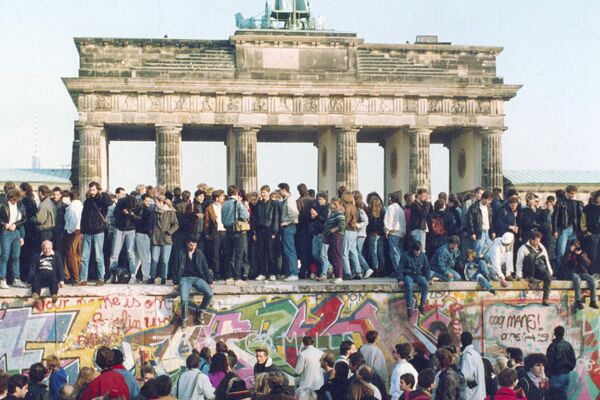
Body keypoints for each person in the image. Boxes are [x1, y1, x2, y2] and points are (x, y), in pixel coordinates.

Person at [79, 182, 112, 286]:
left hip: (98, 232)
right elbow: (83, 217)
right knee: (84, 257)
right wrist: (82, 231)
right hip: (87, 232)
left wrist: (101, 194)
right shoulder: (87, 201)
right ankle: (83, 278)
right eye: (90, 190)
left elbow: (108, 202)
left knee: (99, 256)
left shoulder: (102, 200)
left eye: (93, 190)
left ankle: (100, 278)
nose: (91, 192)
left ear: (98, 189)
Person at [174, 239, 214, 324]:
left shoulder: (199, 254)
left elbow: (205, 268)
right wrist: (175, 282)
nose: (193, 247)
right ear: (187, 244)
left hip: (197, 278)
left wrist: (210, 281)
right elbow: (175, 267)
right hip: (184, 278)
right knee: (184, 299)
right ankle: (184, 318)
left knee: (209, 293)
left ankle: (201, 311)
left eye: (195, 245)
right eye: (191, 245)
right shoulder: (181, 253)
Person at [221, 185, 250, 283]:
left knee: (228, 255)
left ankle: (228, 277)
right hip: (238, 231)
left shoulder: (224, 204)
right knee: (239, 255)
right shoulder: (238, 203)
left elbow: (222, 219)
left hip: (227, 231)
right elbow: (246, 215)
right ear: (237, 193)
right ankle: (237, 278)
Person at [515, 231, 553, 306]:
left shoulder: (541, 247)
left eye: (539, 241)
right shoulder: (523, 248)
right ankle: (530, 277)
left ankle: (545, 299)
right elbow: (519, 263)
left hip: (539, 269)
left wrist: (550, 272)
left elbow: (546, 259)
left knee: (547, 276)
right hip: (529, 270)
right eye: (536, 241)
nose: (537, 243)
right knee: (531, 256)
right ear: (531, 240)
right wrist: (519, 276)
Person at [0, 188, 28, 289]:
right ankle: (2, 279)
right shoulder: (2, 204)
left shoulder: (20, 204)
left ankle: (16, 279)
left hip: (16, 232)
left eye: (16, 199)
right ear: (9, 197)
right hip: (6, 232)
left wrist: (16, 226)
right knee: (5, 256)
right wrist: (5, 225)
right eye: (13, 199)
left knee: (16, 256)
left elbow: (24, 218)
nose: (14, 201)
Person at [108, 193, 139, 284]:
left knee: (131, 253)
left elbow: (138, 218)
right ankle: (112, 275)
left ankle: (133, 275)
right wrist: (122, 213)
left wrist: (130, 214)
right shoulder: (121, 202)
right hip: (119, 229)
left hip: (131, 230)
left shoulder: (137, 204)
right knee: (115, 253)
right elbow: (115, 213)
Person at [149, 196, 179, 284]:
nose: (155, 204)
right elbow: (150, 224)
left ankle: (164, 277)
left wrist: (169, 232)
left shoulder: (170, 212)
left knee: (165, 260)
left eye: (156, 202)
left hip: (166, 238)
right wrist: (151, 233)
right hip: (155, 238)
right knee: (154, 259)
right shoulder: (154, 212)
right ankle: (152, 277)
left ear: (161, 202)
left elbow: (176, 224)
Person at [397, 241, 431, 317]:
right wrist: (400, 279)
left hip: (419, 275)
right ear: (412, 249)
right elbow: (400, 268)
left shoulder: (423, 256)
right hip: (408, 275)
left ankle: (422, 306)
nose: (417, 252)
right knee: (409, 285)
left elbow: (427, 268)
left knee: (426, 285)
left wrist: (429, 279)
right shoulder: (405, 255)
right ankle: (409, 307)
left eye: (419, 251)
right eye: (416, 251)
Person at [562, 239, 598, 309]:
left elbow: (588, 263)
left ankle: (593, 301)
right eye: (575, 245)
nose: (576, 247)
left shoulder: (583, 252)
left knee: (592, 280)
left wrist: (581, 254)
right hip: (572, 272)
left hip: (583, 272)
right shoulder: (569, 252)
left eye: (577, 245)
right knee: (577, 280)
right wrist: (570, 251)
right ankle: (578, 301)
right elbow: (564, 262)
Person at [553, 185, 582, 272]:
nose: (572, 195)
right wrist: (555, 230)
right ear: (567, 192)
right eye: (571, 194)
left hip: (573, 230)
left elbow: (578, 218)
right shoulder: (560, 202)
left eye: (574, 194)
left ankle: (569, 271)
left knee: (572, 251)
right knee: (561, 252)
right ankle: (558, 272)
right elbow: (555, 217)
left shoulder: (575, 203)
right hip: (564, 230)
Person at [254, 185, 280, 281]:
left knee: (271, 252)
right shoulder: (258, 205)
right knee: (261, 252)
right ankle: (262, 273)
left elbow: (275, 218)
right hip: (260, 230)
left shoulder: (273, 204)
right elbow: (255, 219)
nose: (262, 194)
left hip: (270, 230)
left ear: (268, 192)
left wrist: (275, 232)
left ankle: (272, 273)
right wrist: (254, 232)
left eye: (264, 192)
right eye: (261, 192)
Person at [29, 240, 65, 306]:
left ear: (51, 248)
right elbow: (32, 269)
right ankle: (36, 294)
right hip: (40, 276)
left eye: (48, 248)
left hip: (51, 276)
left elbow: (60, 268)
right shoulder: (36, 256)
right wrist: (30, 281)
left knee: (54, 277)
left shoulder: (56, 255)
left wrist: (62, 280)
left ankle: (54, 295)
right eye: (45, 248)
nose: (47, 250)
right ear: (42, 248)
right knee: (35, 276)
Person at [278, 183, 300, 281]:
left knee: (290, 250)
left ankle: (293, 273)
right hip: (287, 227)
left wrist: (284, 222)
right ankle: (289, 272)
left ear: (284, 190)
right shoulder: (286, 200)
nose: (279, 192)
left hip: (289, 226)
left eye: (280, 190)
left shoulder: (289, 200)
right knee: (286, 250)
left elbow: (294, 214)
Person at [545, 326, 576, 396]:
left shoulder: (552, 346)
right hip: (566, 375)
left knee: (554, 396)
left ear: (555, 334)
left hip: (556, 375)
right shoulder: (568, 345)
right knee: (563, 396)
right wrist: (568, 369)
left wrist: (548, 374)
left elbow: (549, 362)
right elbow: (573, 360)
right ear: (563, 334)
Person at [204, 190, 227, 280]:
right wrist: (207, 233)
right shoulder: (209, 208)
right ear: (217, 198)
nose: (223, 198)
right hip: (216, 232)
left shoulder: (225, 206)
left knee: (225, 253)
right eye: (222, 196)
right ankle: (217, 274)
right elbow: (207, 222)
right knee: (215, 254)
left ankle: (225, 273)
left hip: (225, 231)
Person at [465, 190, 495, 258]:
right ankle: (477, 266)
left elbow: (491, 220)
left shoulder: (489, 207)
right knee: (478, 252)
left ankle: (484, 266)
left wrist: (493, 231)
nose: (490, 202)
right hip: (479, 232)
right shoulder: (474, 207)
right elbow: (470, 221)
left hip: (488, 232)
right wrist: (472, 233)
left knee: (489, 250)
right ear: (483, 198)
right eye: (489, 200)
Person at [324, 198, 346, 284]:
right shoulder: (332, 213)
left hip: (336, 236)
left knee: (336, 255)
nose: (332, 205)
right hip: (331, 237)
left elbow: (341, 225)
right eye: (332, 203)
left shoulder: (339, 213)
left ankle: (339, 276)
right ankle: (336, 274)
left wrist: (332, 230)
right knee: (330, 254)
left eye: (334, 204)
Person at [459, 332, 486, 400]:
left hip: (472, 396)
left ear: (461, 341)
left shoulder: (467, 355)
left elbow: (466, 375)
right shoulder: (476, 354)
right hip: (479, 394)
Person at [64, 190, 83, 285]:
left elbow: (72, 220)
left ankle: (75, 277)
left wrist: (69, 230)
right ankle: (79, 275)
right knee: (78, 254)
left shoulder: (71, 207)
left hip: (73, 231)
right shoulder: (81, 205)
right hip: (80, 231)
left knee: (71, 254)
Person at [310, 192, 330, 281]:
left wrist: (317, 215)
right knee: (315, 253)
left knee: (323, 255)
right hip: (316, 233)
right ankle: (328, 266)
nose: (319, 201)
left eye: (321, 199)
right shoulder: (317, 207)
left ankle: (324, 273)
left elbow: (325, 220)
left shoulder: (327, 208)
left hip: (323, 234)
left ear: (325, 200)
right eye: (318, 199)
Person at [385, 193, 407, 276]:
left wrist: (387, 230)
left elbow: (388, 220)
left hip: (393, 232)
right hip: (401, 233)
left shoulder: (391, 208)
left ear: (391, 199)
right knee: (400, 252)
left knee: (394, 253)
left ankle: (398, 271)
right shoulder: (401, 209)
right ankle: (401, 269)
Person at [134, 194, 153, 283]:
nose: (148, 203)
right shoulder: (147, 211)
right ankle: (146, 276)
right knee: (145, 256)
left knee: (137, 257)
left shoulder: (138, 209)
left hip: (138, 233)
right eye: (147, 201)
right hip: (144, 234)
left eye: (150, 201)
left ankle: (132, 276)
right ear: (143, 200)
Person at [366, 196, 386, 275]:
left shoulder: (370, 212)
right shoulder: (383, 212)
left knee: (373, 253)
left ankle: (376, 269)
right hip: (381, 234)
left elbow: (370, 224)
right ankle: (383, 270)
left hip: (372, 234)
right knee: (381, 253)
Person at [582, 191, 600, 273]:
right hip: (591, 235)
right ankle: (592, 272)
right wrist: (586, 231)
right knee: (592, 254)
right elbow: (582, 222)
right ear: (596, 197)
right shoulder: (587, 208)